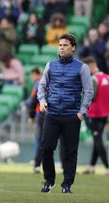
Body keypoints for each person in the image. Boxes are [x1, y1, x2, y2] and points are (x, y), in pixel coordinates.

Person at [37, 34, 93, 193]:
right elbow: (42, 86)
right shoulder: (50, 65)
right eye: (60, 45)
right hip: (52, 114)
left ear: (73, 47)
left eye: (65, 45)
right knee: (46, 148)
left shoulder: (82, 67)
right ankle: (49, 180)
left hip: (72, 115)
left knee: (70, 152)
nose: (61, 47)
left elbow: (88, 92)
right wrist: (42, 101)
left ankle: (67, 184)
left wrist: (82, 112)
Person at [81, 57, 109, 175]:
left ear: (91, 66)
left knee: (98, 141)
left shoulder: (93, 79)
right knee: (97, 139)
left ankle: (107, 167)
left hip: (95, 114)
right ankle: (92, 166)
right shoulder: (107, 77)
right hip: (105, 114)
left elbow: (91, 96)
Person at [24, 68, 44, 173]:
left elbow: (33, 99)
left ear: (37, 74)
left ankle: (37, 162)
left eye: (32, 75)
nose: (31, 77)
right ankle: (38, 161)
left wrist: (30, 115)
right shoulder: (43, 82)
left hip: (39, 113)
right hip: (45, 113)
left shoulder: (39, 83)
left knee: (39, 139)